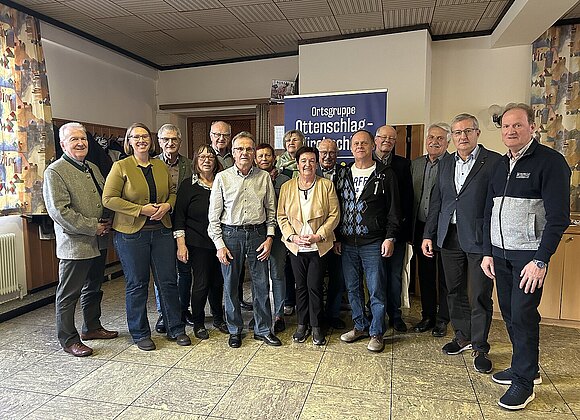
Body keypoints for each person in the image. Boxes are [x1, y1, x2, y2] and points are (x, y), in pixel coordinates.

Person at [481, 103, 571, 410]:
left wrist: (541, 260)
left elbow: (558, 218)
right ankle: (526, 368)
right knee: (509, 314)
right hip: (500, 255)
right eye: (506, 126)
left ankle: (524, 382)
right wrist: (488, 252)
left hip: (528, 258)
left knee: (523, 315)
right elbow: (489, 211)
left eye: (517, 125)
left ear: (532, 127)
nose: (511, 131)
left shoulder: (550, 162)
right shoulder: (499, 165)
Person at [422, 113, 501, 373]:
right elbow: (438, 201)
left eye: (468, 131)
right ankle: (462, 337)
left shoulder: (494, 162)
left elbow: (497, 204)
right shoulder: (446, 163)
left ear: (477, 133)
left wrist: (492, 242)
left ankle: (480, 346)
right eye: (457, 132)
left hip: (479, 238)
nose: (463, 136)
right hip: (449, 236)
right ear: (452, 137)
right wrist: (428, 234)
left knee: (479, 294)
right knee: (453, 291)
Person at [102, 122, 191, 351]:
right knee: (137, 284)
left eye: (145, 136)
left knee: (168, 282)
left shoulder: (160, 166)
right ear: (129, 141)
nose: (141, 140)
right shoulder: (121, 166)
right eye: (136, 137)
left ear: (151, 141)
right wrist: (140, 210)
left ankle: (175, 328)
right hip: (131, 235)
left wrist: (167, 206)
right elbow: (109, 199)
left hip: (161, 232)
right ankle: (140, 333)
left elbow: (172, 193)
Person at [43, 122, 118, 357]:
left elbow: (104, 196)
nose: (80, 143)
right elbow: (60, 212)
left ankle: (92, 327)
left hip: (99, 240)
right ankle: (68, 339)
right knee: (68, 294)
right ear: (63, 144)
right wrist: (93, 227)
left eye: (83, 139)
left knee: (94, 287)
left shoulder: (92, 167)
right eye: (74, 139)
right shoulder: (55, 172)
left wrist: (108, 220)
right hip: (75, 244)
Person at [208, 131, 281, 348]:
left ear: (254, 153)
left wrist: (270, 237)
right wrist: (219, 245)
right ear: (233, 152)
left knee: (261, 284)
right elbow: (213, 217)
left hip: (258, 235)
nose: (244, 153)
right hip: (231, 236)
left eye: (249, 149)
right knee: (231, 285)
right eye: (240, 149)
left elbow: (271, 211)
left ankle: (263, 329)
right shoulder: (222, 178)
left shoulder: (264, 177)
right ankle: (234, 330)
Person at [336, 130, 400, 353]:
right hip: (347, 242)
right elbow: (336, 208)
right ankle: (360, 326)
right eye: (356, 143)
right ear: (351, 147)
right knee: (353, 288)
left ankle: (376, 332)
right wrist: (336, 238)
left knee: (376, 289)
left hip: (373, 242)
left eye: (364, 143)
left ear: (373, 145)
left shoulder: (385, 174)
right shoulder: (343, 173)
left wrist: (390, 237)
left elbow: (394, 210)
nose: (360, 146)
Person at [278, 146, 340, 345]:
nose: (308, 164)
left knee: (314, 286)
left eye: (312, 160)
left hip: (318, 246)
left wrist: (318, 236)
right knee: (300, 287)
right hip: (296, 247)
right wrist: (292, 237)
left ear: (317, 163)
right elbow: (281, 216)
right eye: (303, 161)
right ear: (297, 164)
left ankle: (316, 326)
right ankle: (301, 324)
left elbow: (334, 215)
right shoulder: (287, 187)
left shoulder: (326, 185)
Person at [173, 144, 227, 340]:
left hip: (221, 242)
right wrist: (181, 244)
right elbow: (179, 217)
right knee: (201, 283)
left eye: (210, 157)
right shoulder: (188, 185)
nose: (206, 160)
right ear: (196, 161)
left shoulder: (223, 181)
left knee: (218, 282)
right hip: (197, 242)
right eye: (202, 157)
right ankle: (198, 322)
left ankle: (219, 318)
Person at [153, 123, 194, 334]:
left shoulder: (190, 164)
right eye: (166, 139)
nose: (170, 143)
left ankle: (183, 309)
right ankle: (164, 313)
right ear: (159, 142)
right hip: (159, 223)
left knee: (184, 269)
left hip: (184, 223)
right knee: (163, 272)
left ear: (180, 141)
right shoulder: (151, 163)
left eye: (174, 139)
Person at [411, 123, 451, 337]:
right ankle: (428, 316)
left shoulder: (453, 164)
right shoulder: (416, 164)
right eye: (431, 137)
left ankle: (443, 319)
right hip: (420, 227)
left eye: (440, 138)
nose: (434, 142)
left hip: (445, 229)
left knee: (445, 277)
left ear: (448, 142)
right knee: (425, 275)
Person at [373, 125, 413, 333]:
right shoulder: (365, 162)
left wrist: (403, 231)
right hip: (371, 234)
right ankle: (375, 315)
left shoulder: (403, 165)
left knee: (395, 276)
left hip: (396, 232)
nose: (387, 141)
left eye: (391, 138)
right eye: (383, 137)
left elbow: (408, 199)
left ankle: (395, 315)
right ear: (376, 140)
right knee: (374, 278)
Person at [255, 143, 290, 332]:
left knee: (277, 274)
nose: (264, 159)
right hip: (256, 234)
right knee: (259, 276)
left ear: (274, 158)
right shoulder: (252, 179)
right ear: (255, 159)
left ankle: (279, 315)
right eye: (260, 156)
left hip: (278, 235)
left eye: (267, 155)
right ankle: (261, 314)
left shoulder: (284, 180)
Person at [317, 138, 346, 329]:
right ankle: (317, 316)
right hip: (315, 237)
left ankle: (333, 314)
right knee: (316, 279)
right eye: (324, 152)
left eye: (332, 153)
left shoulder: (346, 173)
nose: (327, 156)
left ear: (337, 154)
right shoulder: (310, 172)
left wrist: (338, 237)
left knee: (338, 277)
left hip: (338, 235)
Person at [276, 129, 305, 315]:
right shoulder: (277, 165)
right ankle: (288, 300)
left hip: (304, 221)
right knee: (285, 264)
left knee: (301, 264)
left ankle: (302, 302)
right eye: (288, 140)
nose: (291, 142)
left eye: (295, 139)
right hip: (285, 221)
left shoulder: (308, 163)